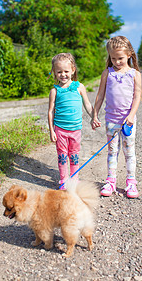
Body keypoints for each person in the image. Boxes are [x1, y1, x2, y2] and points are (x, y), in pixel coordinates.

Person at [92, 36, 142, 198]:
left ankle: (131, 182)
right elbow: (100, 96)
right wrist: (94, 114)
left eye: (120, 58)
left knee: (129, 151)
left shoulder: (134, 74)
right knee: (112, 151)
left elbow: (137, 97)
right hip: (111, 120)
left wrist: (131, 115)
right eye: (113, 58)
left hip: (128, 121)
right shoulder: (107, 73)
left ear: (129, 54)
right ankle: (111, 180)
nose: (117, 61)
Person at [48, 53, 93, 189]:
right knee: (62, 155)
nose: (63, 75)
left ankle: (75, 179)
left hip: (75, 129)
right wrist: (51, 131)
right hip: (60, 129)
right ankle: (64, 180)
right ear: (55, 73)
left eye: (66, 71)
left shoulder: (80, 87)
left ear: (73, 70)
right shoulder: (54, 91)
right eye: (59, 72)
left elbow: (88, 105)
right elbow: (50, 112)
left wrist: (94, 117)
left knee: (74, 155)